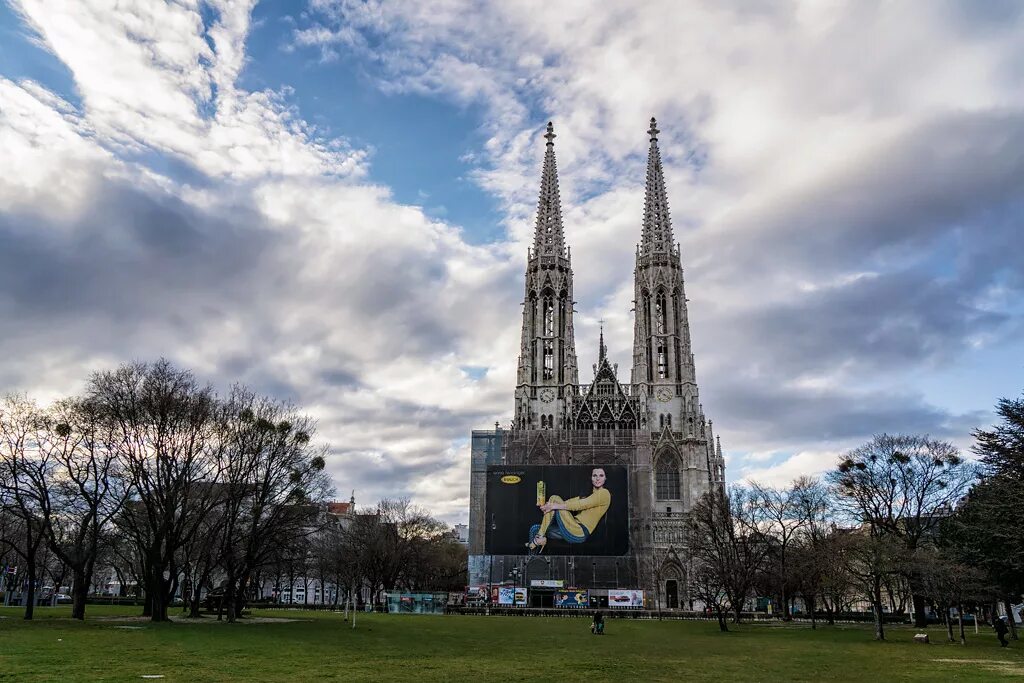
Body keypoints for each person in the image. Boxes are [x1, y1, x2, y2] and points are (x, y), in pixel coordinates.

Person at [526, 468, 611, 553]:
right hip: (570, 527)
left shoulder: (604, 493)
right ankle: (533, 557)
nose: (597, 478)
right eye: (594, 475)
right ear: (591, 478)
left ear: (605, 478)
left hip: (579, 531)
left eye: (601, 475)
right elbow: (568, 502)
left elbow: (581, 505)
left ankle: (539, 537)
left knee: (554, 498)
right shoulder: (588, 494)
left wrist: (553, 506)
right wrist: (547, 506)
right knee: (535, 529)